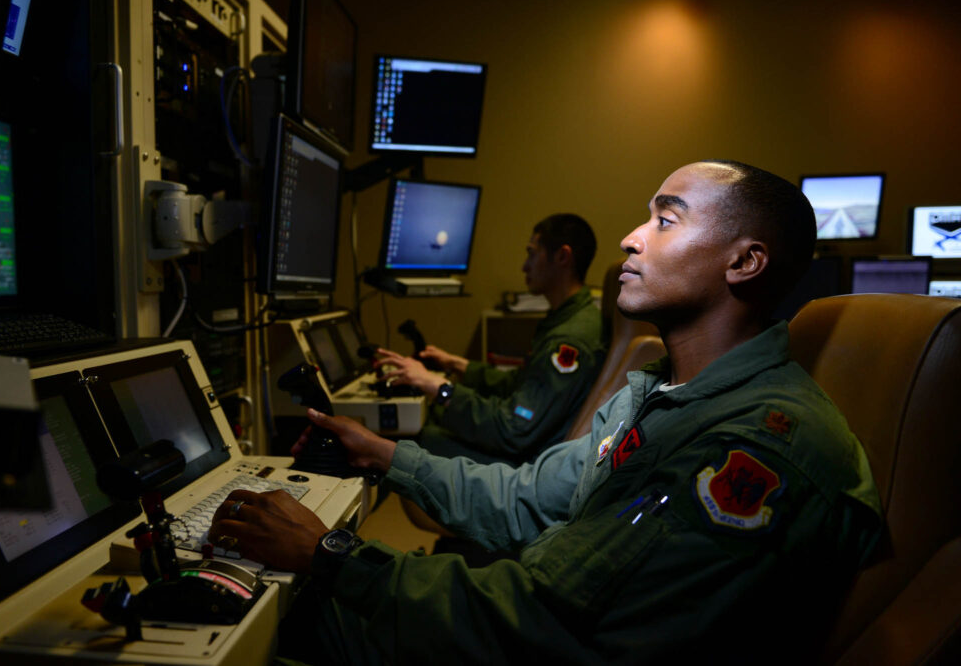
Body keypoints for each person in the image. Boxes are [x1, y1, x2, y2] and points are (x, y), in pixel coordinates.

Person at [208, 160, 883, 664]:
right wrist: (387, 454)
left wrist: (331, 556)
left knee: (273, 631)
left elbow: (540, 620)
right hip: (531, 622)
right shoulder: (657, 392)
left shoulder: (752, 450)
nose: (629, 237)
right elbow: (528, 497)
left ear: (745, 261)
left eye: (665, 219)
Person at [375, 213, 605, 466]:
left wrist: (438, 388)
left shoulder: (569, 341)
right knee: (433, 420)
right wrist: (457, 365)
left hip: (528, 468)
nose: (524, 266)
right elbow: (520, 384)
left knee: (418, 440)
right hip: (530, 445)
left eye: (532, 253)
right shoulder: (569, 318)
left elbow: (514, 428)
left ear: (562, 257)